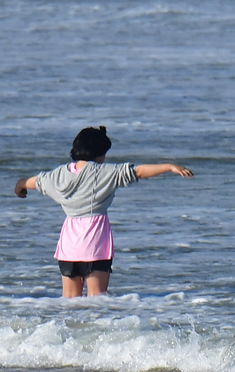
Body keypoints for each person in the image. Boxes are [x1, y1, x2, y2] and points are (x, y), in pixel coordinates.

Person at [14, 126, 193, 298]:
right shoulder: (103, 173)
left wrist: (19, 188)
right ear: (99, 153)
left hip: (68, 247)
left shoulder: (57, 175)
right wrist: (169, 166)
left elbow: (29, 181)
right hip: (95, 244)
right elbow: (138, 171)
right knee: (96, 302)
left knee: (68, 302)